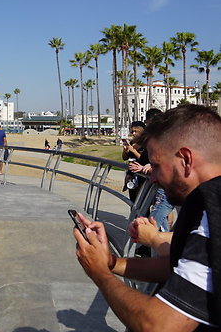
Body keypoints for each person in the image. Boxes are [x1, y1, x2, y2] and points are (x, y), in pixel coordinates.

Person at [73, 104, 221, 331]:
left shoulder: (214, 210)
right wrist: (111, 262)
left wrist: (100, 274)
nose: (152, 179)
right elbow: (179, 266)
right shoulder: (205, 204)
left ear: (185, 159)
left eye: (156, 165)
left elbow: (158, 325)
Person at [122, 120, 147, 202]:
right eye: (132, 131)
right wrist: (125, 150)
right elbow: (125, 158)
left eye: (136, 131)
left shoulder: (146, 144)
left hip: (141, 174)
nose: (133, 133)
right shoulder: (132, 142)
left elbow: (144, 159)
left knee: (142, 200)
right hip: (131, 174)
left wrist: (133, 151)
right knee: (133, 199)